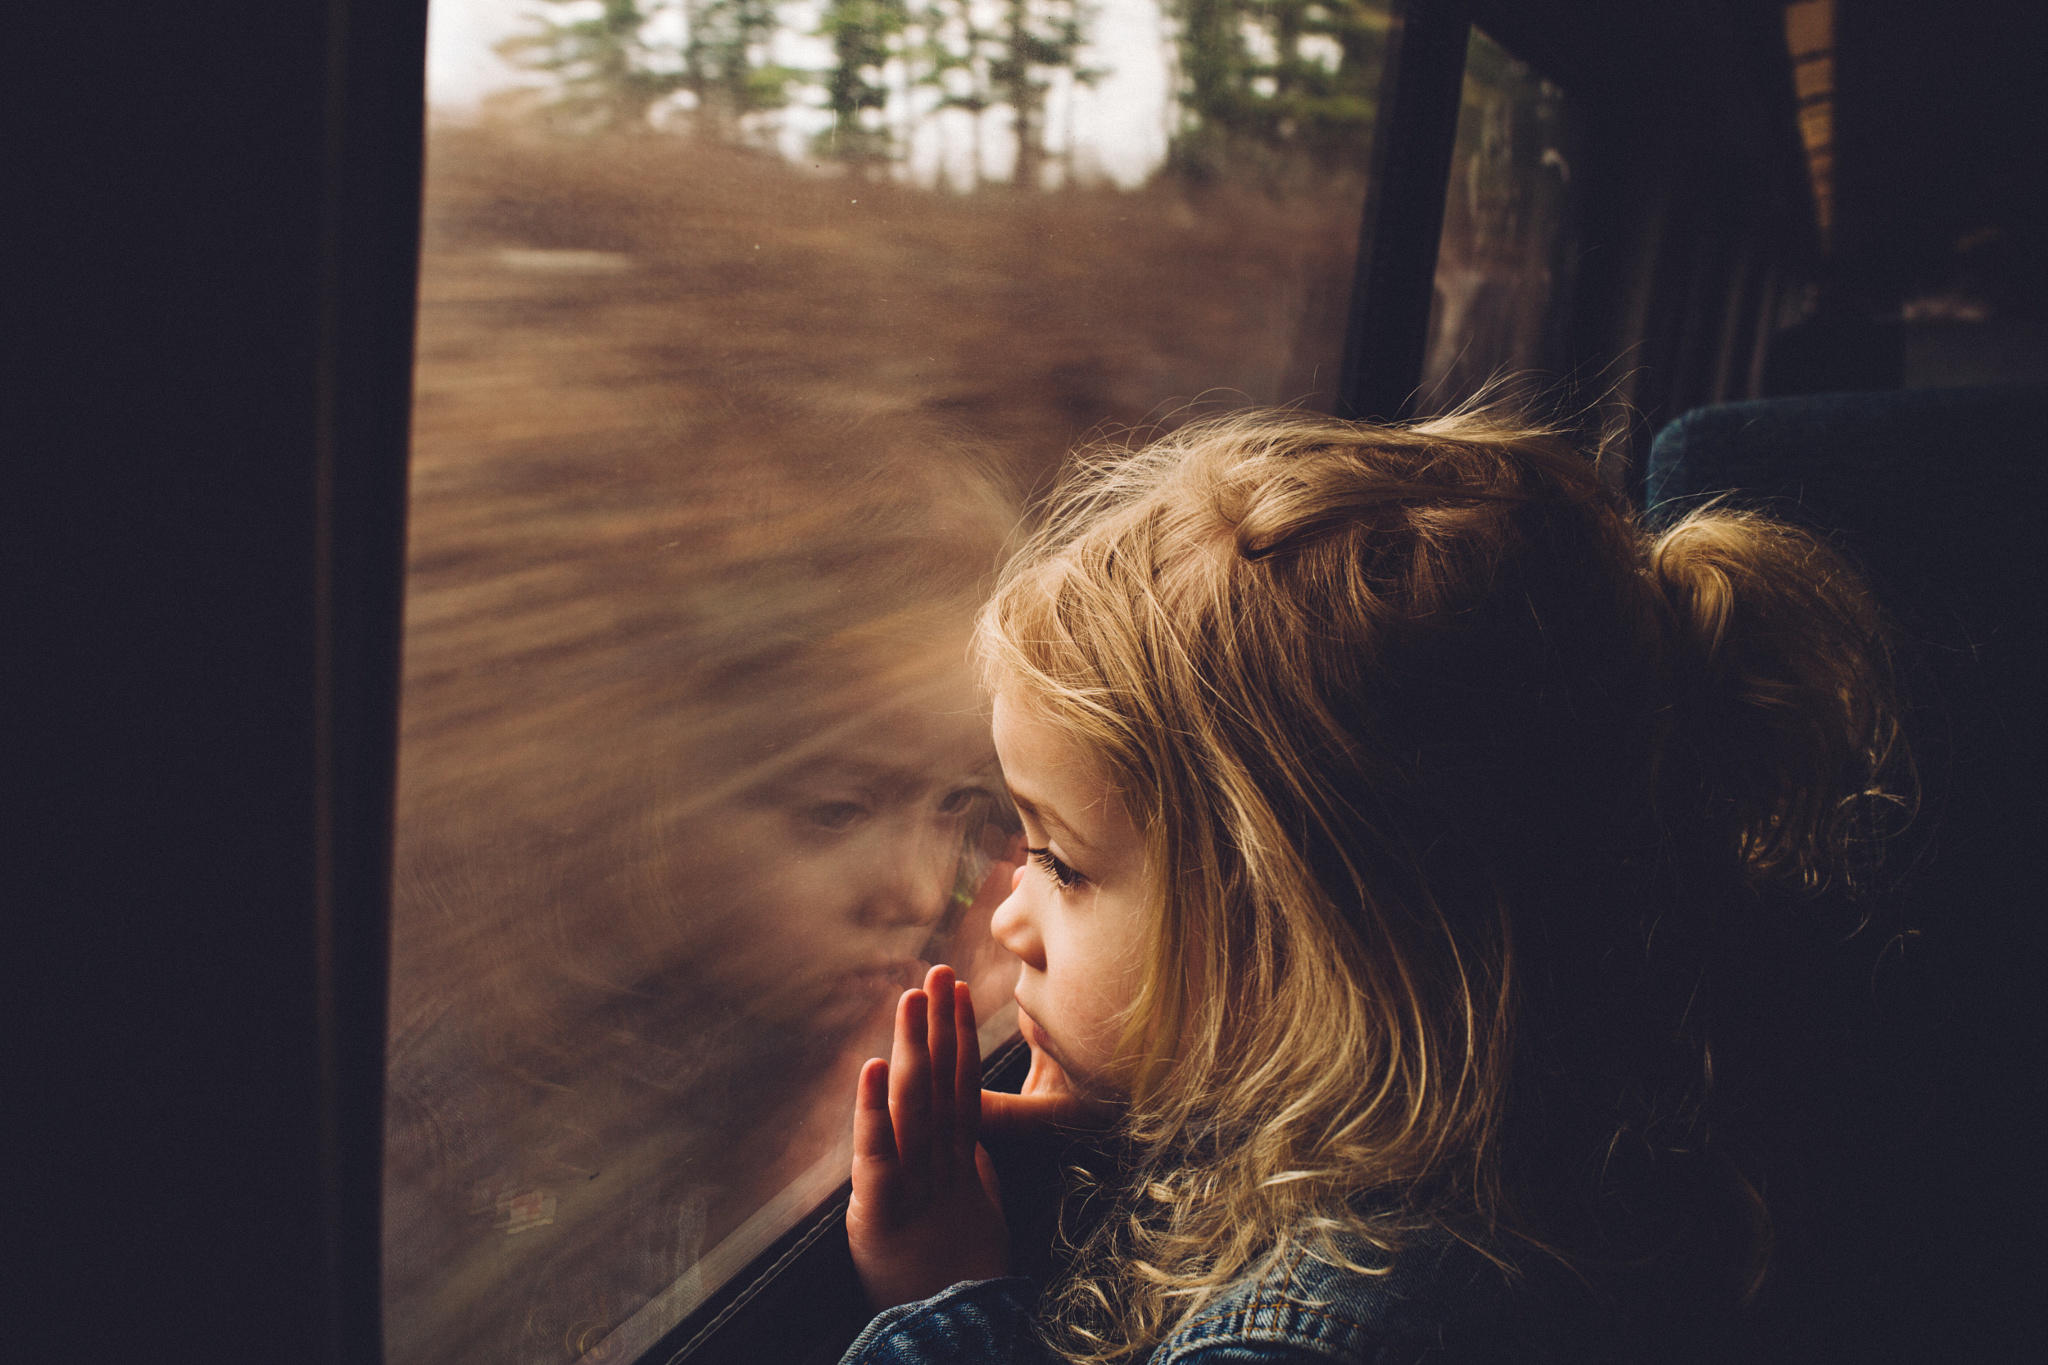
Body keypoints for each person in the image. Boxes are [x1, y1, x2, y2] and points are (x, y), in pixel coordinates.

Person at [835, 408, 1904, 1363]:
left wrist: (949, 1305)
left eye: (1062, 864)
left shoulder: (1322, 1335)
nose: (1007, 915)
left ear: (1311, 946)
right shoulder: (1587, 1124)